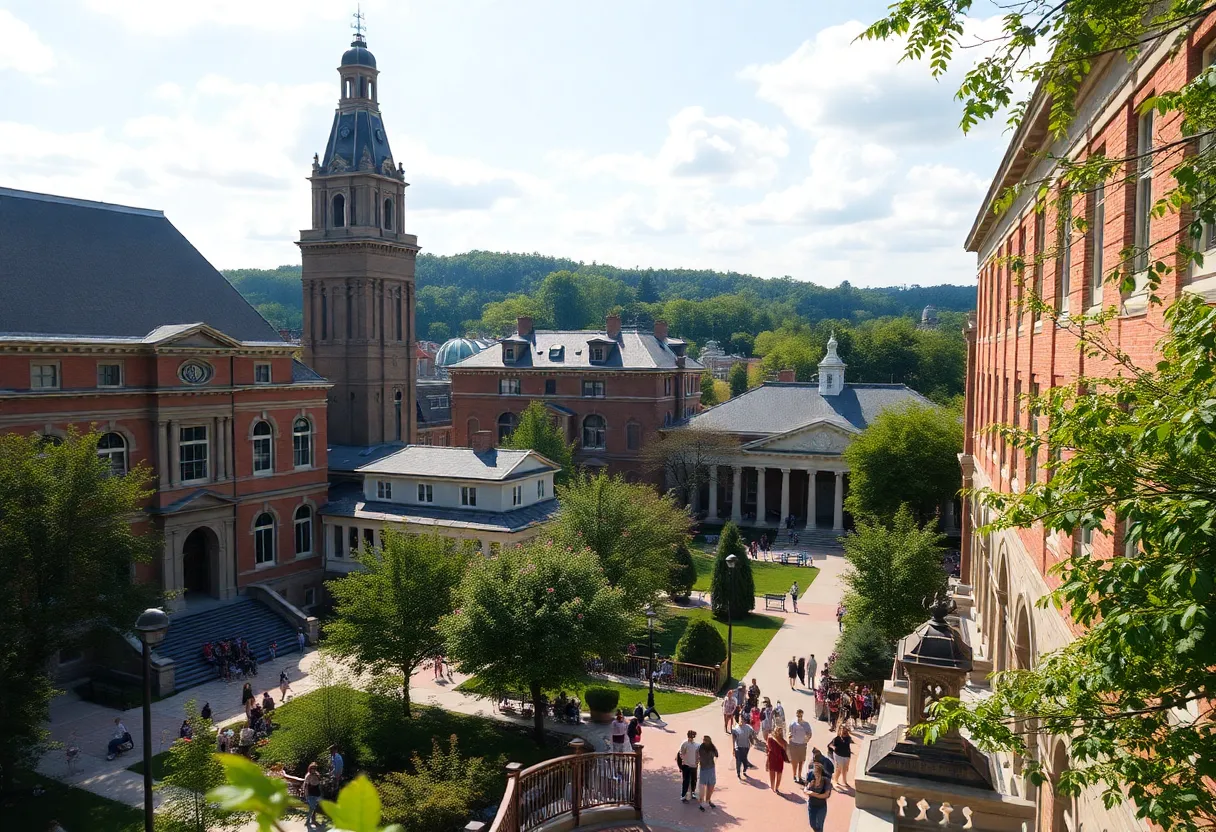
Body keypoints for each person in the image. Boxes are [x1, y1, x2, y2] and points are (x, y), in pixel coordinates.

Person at [804, 760, 833, 832]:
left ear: (820, 773)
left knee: (820, 825)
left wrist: (813, 794)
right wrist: (809, 791)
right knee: (812, 824)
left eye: (817, 774)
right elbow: (805, 789)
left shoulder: (826, 781)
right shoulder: (811, 777)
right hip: (812, 805)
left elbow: (826, 795)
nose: (815, 775)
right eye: (814, 773)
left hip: (821, 807)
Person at [788, 709, 812, 783]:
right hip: (794, 744)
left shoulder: (806, 724)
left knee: (801, 761)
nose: (799, 716)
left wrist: (807, 739)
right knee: (794, 762)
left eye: (800, 715)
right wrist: (789, 736)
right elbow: (789, 732)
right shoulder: (792, 723)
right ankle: (794, 775)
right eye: (798, 715)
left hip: (802, 744)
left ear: (802, 715)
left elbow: (810, 733)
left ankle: (799, 775)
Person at [696, 735, 718, 810]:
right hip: (704, 769)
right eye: (703, 740)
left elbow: (717, 754)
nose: (704, 741)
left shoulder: (712, 747)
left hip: (711, 768)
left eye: (705, 740)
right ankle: (702, 803)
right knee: (702, 786)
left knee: (711, 786)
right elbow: (698, 756)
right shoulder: (701, 747)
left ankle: (708, 800)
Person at [677, 730, 700, 803]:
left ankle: (692, 792)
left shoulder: (697, 745)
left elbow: (698, 755)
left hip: (694, 765)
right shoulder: (685, 744)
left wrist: (697, 761)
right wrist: (683, 761)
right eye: (690, 735)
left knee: (694, 780)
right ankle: (683, 795)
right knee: (686, 781)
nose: (691, 737)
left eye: (692, 735)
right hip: (686, 765)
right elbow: (681, 753)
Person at [765, 725, 788, 793]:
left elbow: (785, 748)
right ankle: (772, 788)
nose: (778, 731)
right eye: (777, 730)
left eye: (780, 730)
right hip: (772, 758)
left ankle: (776, 788)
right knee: (772, 774)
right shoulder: (770, 738)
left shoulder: (783, 741)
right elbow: (768, 750)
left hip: (779, 759)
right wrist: (766, 762)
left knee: (779, 774)